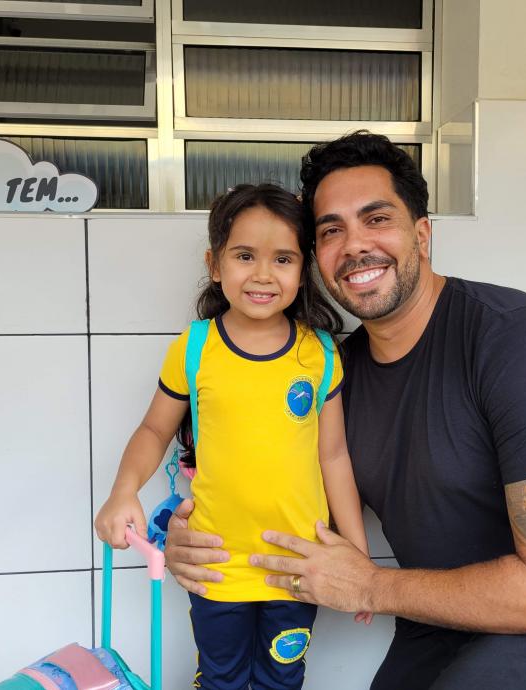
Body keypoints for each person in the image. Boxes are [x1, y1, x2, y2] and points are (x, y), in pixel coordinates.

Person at [165, 132, 526, 689]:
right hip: (442, 622)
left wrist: (369, 586)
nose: (355, 245)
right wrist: (196, 541)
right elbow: (280, 491)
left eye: (376, 219)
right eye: (331, 230)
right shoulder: (333, 375)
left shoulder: (515, 339)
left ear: (422, 234)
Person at [95, 183, 371, 690]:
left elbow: (333, 457)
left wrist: (358, 557)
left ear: (303, 269)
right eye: (245, 256)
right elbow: (154, 429)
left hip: (297, 564)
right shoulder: (195, 347)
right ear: (215, 264)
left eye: (283, 259)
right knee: (219, 679)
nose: (263, 274)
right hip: (215, 564)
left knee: (283, 679)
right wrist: (122, 491)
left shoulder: (320, 353)